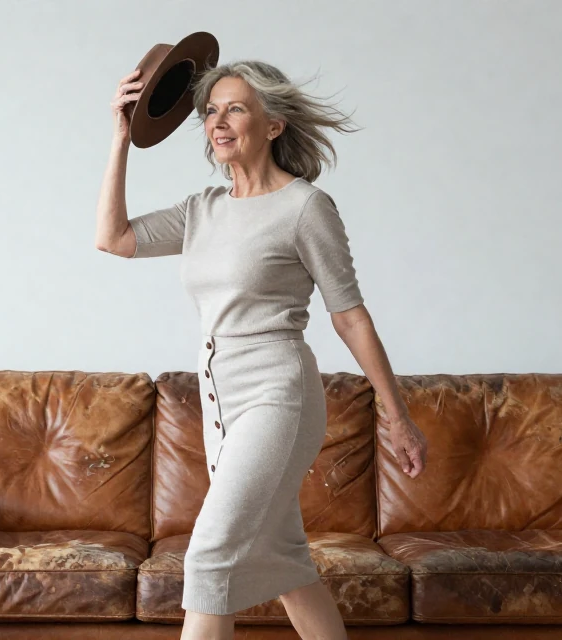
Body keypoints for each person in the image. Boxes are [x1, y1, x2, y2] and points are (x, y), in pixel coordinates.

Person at [95, 60, 428, 640]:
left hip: (280, 395)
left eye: (236, 108)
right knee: (285, 561)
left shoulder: (305, 207)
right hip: (219, 401)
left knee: (211, 555)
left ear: (273, 124)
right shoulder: (202, 209)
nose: (218, 122)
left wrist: (396, 417)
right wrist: (121, 138)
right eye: (210, 112)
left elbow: (349, 316)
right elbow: (113, 238)